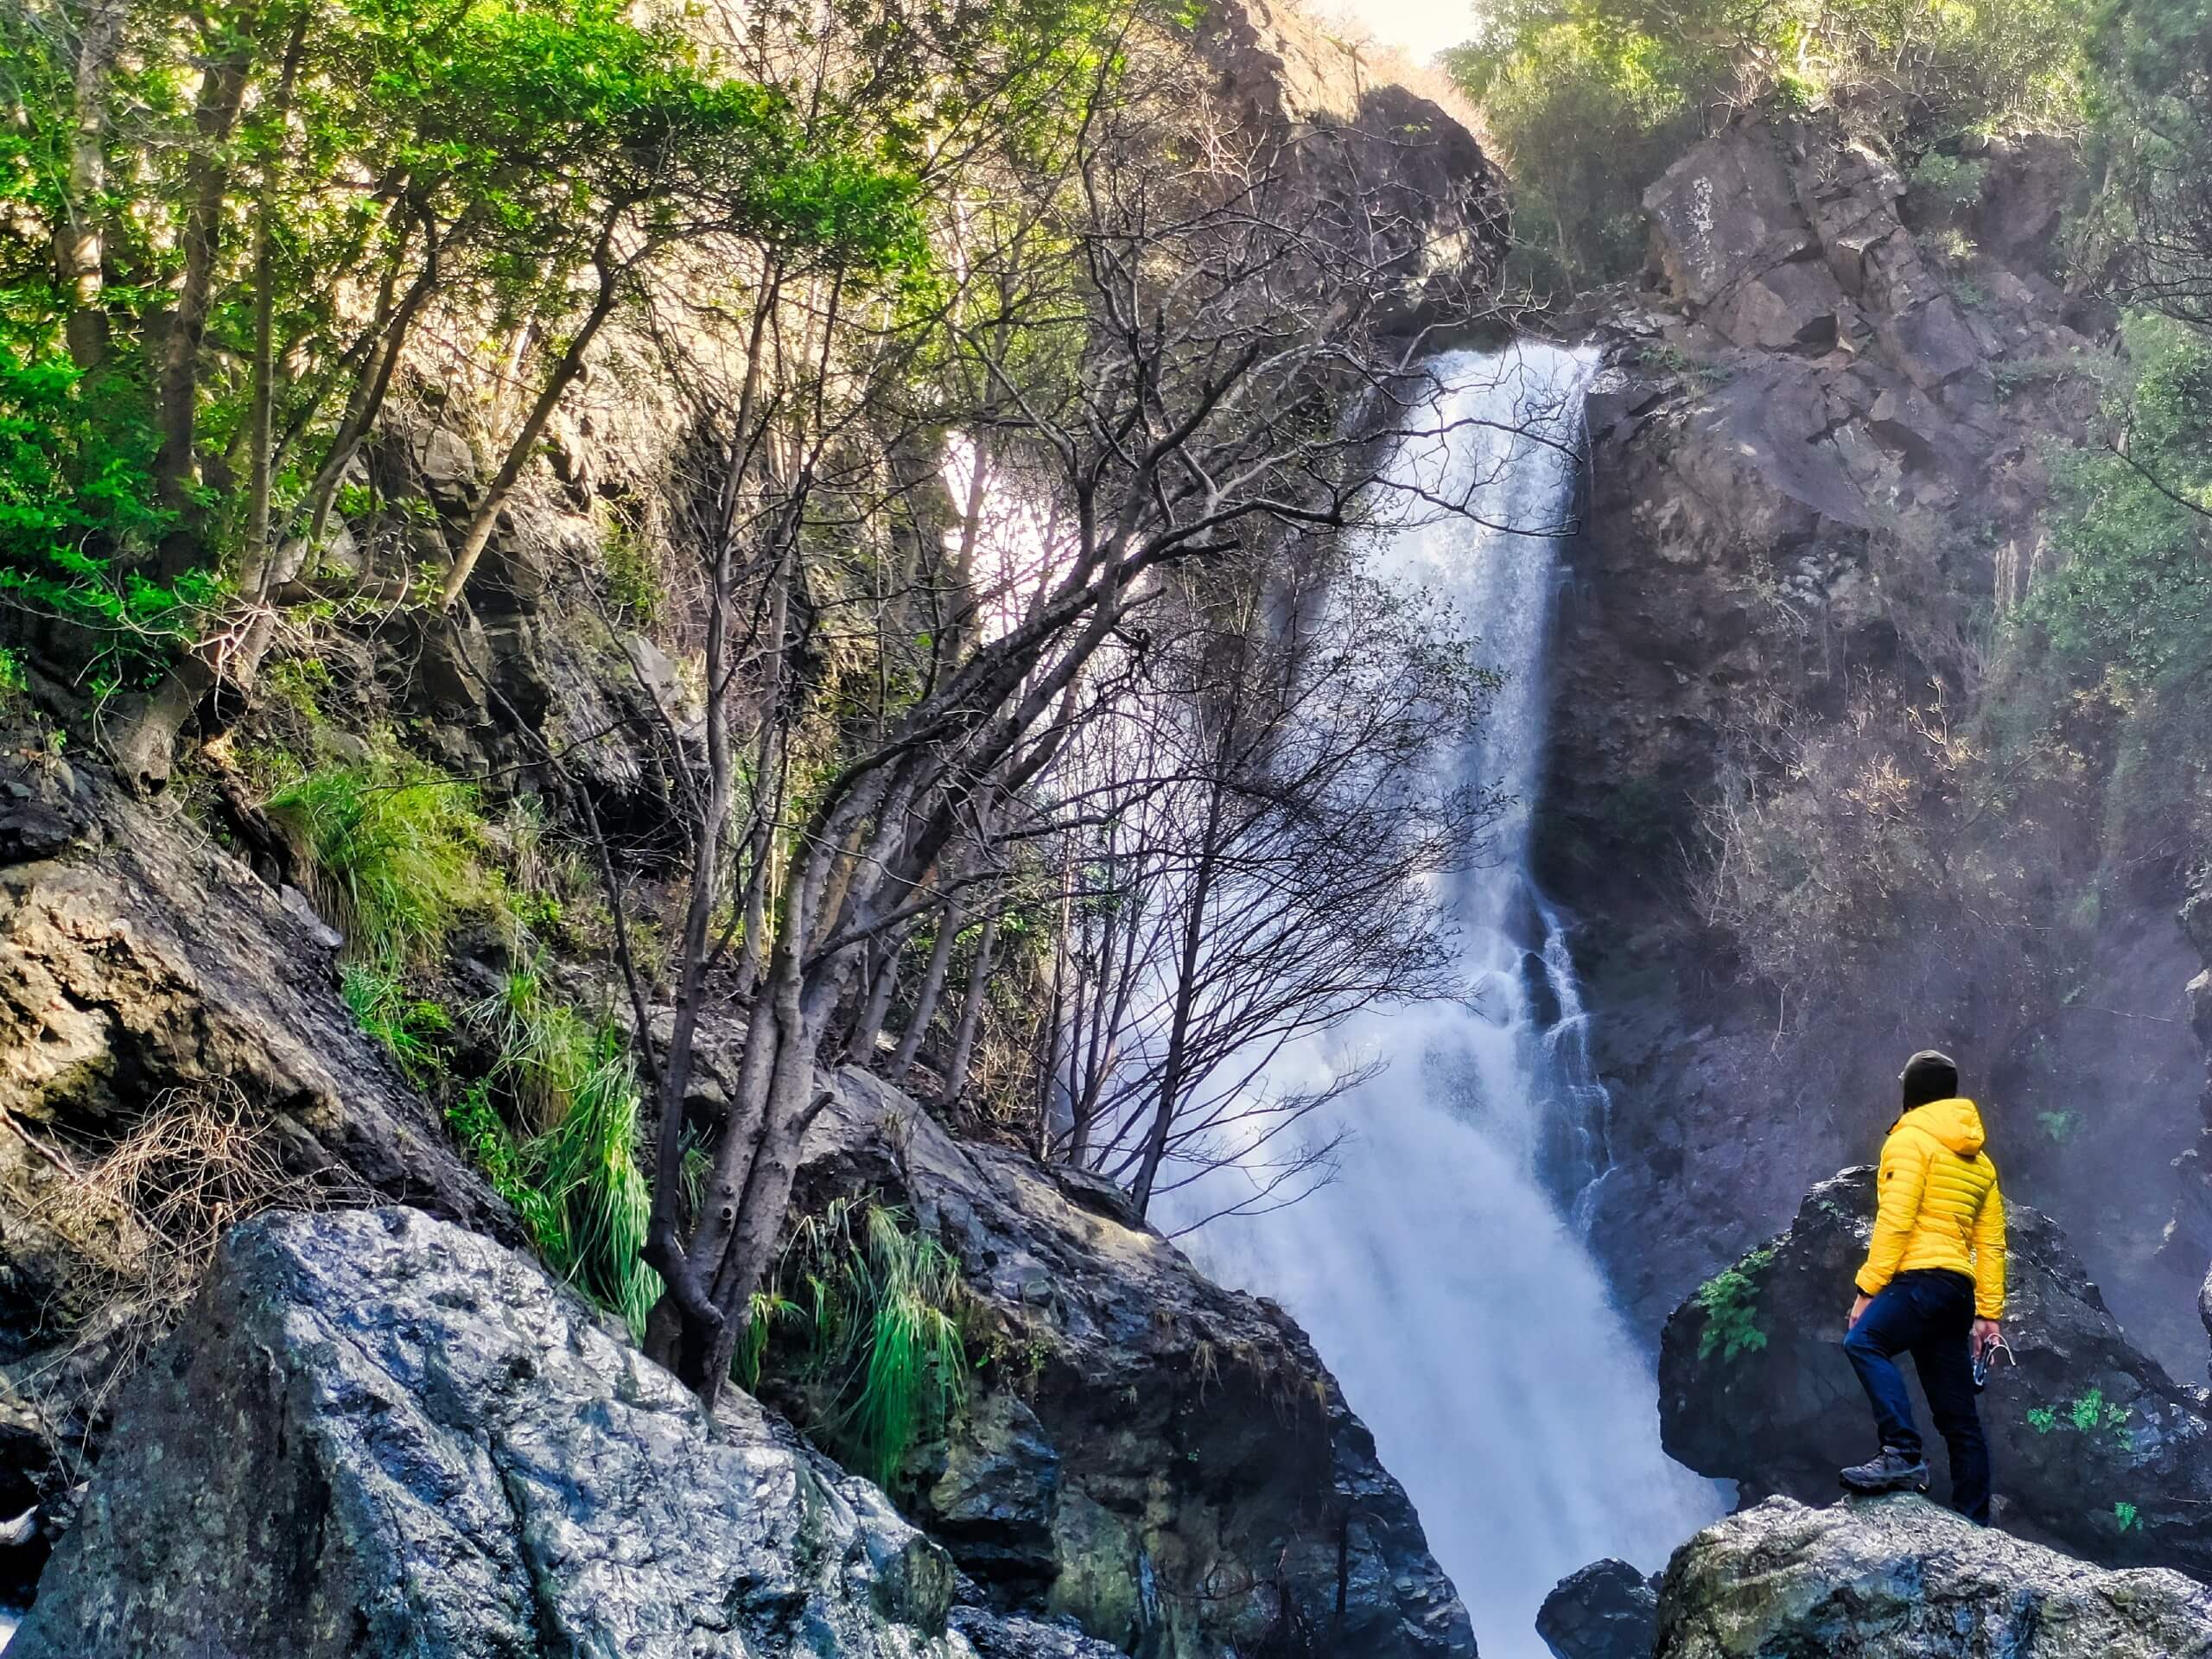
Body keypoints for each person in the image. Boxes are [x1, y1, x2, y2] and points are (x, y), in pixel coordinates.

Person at [1838, 1049, 2006, 1522]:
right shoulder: (1981, 1161)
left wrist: (1867, 1290)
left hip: (1920, 1279)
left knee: (1863, 1341)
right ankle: (1973, 1521)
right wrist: (1987, 1315)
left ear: (1910, 1092)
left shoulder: (1908, 1141)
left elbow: (1896, 1217)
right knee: (1958, 1419)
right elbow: (1991, 1243)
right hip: (1956, 1292)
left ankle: (1902, 1451)